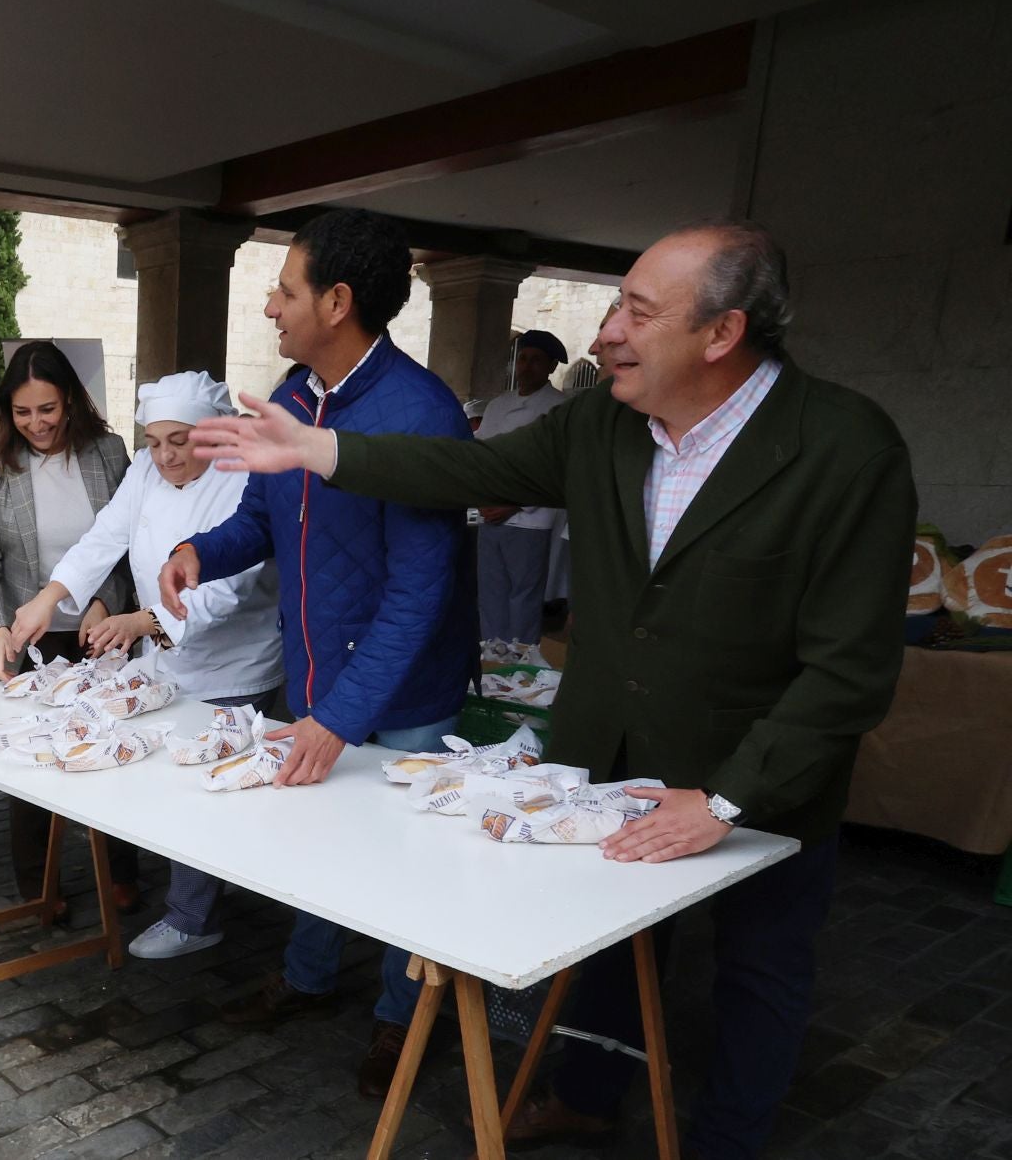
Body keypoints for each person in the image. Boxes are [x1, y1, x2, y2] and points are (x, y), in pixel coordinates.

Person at [186, 220, 916, 1160]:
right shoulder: (604, 421)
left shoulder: (845, 447)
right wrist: (320, 454)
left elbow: (851, 668)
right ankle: (585, 1092)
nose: (606, 331)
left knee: (759, 971)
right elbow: (474, 470)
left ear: (721, 334)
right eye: (615, 304)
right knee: (607, 948)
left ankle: (730, 1138)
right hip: (612, 751)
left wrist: (729, 796)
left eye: (636, 312)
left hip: (761, 778)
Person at [154, 208, 474, 1098]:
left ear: (337, 302)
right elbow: (262, 517)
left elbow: (421, 592)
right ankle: (305, 975)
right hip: (316, 677)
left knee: (405, 865)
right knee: (319, 847)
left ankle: (400, 1021)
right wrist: (199, 552)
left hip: (403, 697)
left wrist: (340, 713)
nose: (269, 306)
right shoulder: (294, 398)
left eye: (285, 290)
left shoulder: (420, 414)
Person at [8, 370, 282, 959]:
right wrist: (47, 599)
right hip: (166, 659)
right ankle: (190, 890)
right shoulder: (143, 470)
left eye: (179, 441)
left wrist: (142, 623)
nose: (165, 456)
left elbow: (231, 586)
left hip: (234, 661)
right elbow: (103, 537)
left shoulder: (243, 476)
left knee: (208, 783)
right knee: (170, 777)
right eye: (154, 441)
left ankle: (192, 917)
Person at [0, 340, 142, 912]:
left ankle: (118, 869)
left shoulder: (109, 453)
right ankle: (39, 885)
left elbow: (129, 543)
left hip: (100, 632)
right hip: (27, 636)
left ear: (70, 401)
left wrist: (106, 601)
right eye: (22, 412)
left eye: (47, 409)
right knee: (33, 761)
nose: (36, 423)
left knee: (109, 749)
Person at [474, 329, 568, 645]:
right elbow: (482, 455)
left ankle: (521, 659)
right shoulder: (499, 405)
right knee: (491, 592)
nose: (527, 367)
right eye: (523, 359)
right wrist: (485, 500)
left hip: (530, 518)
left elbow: (556, 467)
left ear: (552, 366)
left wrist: (515, 504)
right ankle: (491, 655)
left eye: (536, 361)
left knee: (524, 595)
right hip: (491, 513)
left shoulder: (559, 407)